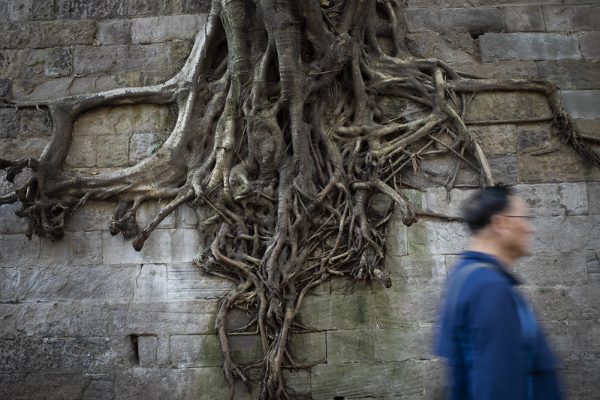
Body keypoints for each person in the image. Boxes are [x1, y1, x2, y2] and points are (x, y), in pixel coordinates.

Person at [434, 186, 563, 400]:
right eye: (525, 218)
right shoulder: (489, 288)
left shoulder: (464, 276)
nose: (531, 229)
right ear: (501, 223)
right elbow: (496, 386)